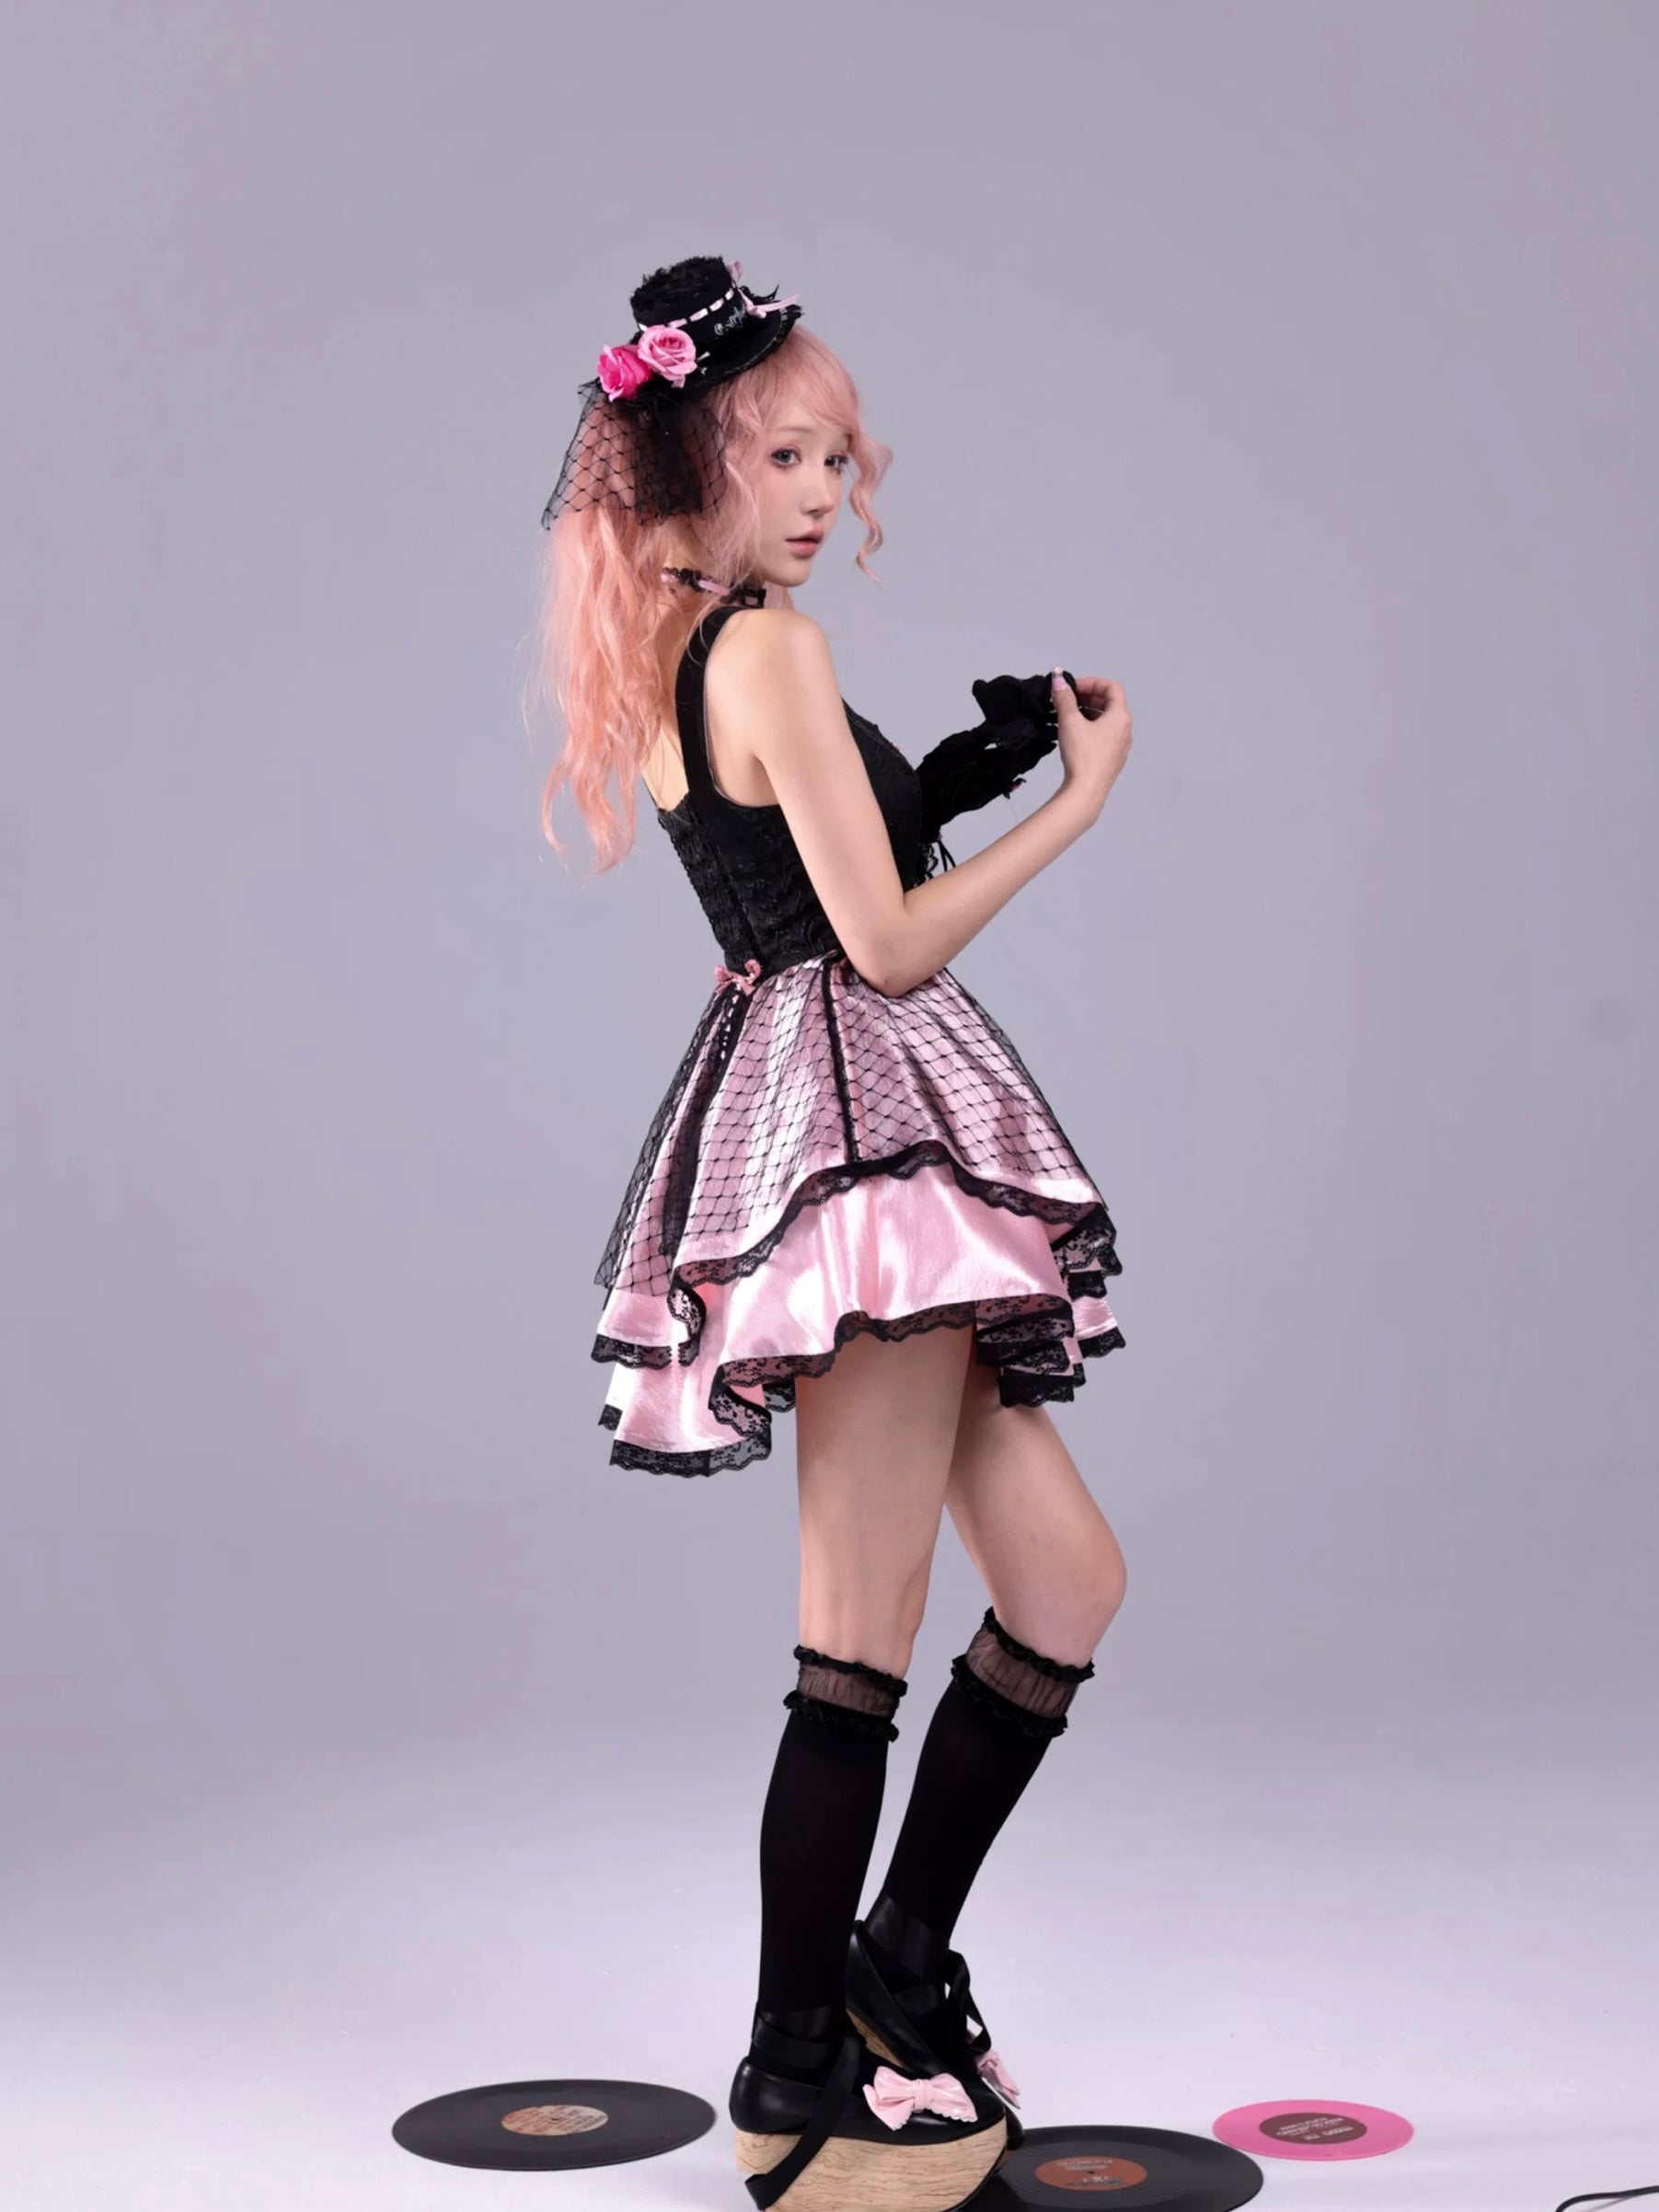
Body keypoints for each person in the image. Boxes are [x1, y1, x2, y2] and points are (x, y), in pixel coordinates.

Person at [529, 255, 1135, 2212]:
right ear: (694, 459)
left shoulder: (673, 647)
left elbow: (797, 853)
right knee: (852, 1643)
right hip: (861, 1143)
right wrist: (1079, 806)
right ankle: (794, 2069)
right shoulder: (765, 649)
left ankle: (890, 1968)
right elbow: (870, 940)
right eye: (782, 453)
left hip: (821, 1128)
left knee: (1065, 1585)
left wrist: (962, 770)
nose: (820, 491)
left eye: (835, 457)